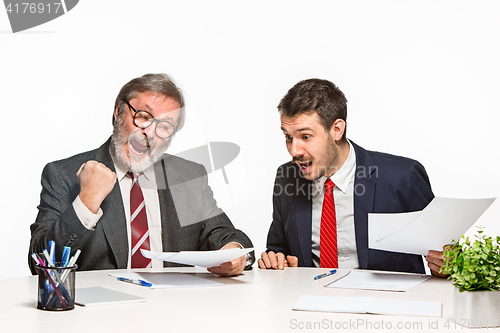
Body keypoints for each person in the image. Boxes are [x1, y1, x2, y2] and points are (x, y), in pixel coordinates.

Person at [30, 73, 254, 276]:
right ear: (118, 111)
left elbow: (225, 235)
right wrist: (86, 202)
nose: (149, 133)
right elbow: (39, 262)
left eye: (165, 126)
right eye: (143, 116)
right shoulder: (62, 174)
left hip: (174, 312)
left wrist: (234, 253)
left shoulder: (188, 177)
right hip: (101, 315)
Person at [258, 78, 446, 277]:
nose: (294, 150)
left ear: (337, 130)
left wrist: (444, 264)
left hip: (386, 302)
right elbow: (278, 250)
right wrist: (276, 259)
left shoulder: (402, 177)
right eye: (288, 137)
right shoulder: (287, 177)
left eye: (305, 137)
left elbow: (444, 252)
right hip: (312, 301)